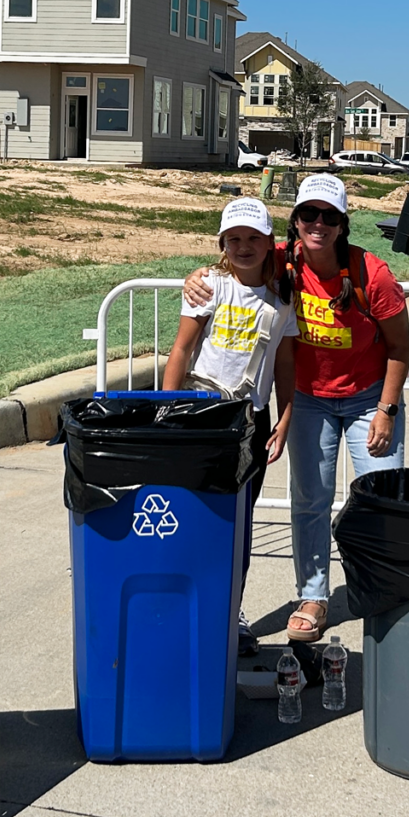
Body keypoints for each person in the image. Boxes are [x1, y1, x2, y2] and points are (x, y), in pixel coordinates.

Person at [184, 175, 409, 642]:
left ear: (343, 224)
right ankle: (314, 596)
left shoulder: (374, 275)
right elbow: (235, 262)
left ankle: (384, 590)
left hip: (370, 399)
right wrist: (197, 276)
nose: (318, 224)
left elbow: (400, 349)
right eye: (309, 214)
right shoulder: (280, 262)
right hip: (310, 400)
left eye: (329, 216)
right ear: (295, 221)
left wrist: (387, 409)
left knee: (382, 498)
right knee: (310, 502)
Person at [163, 197, 298, 655]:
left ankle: (230, 611)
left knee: (239, 520)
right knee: (194, 513)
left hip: (251, 422)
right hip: (202, 415)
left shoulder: (282, 298)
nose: (244, 247)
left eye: (253, 239)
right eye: (234, 239)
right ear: (222, 243)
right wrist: (169, 408)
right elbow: (182, 349)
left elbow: (283, 361)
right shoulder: (209, 286)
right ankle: (186, 603)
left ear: (269, 243)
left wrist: (284, 417)